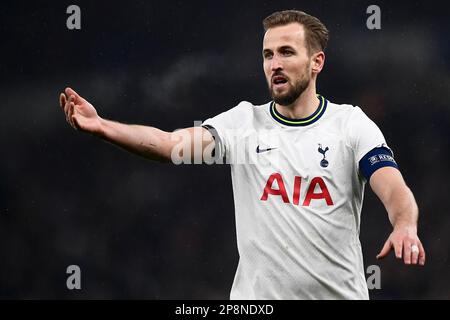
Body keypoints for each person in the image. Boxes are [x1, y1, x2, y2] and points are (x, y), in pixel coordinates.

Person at [59, 10, 425, 299]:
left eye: (286, 52)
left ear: (317, 63)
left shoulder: (350, 125)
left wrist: (404, 224)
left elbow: (392, 187)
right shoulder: (243, 123)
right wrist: (104, 126)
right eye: (267, 55)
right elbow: (170, 145)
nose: (274, 64)